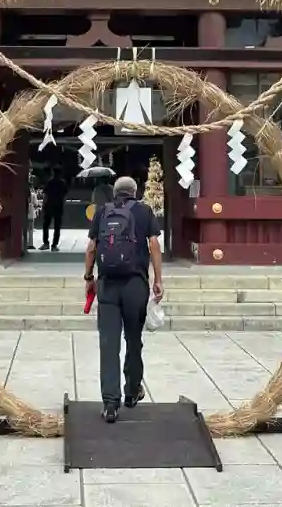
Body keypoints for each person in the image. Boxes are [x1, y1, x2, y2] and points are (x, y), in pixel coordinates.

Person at [84, 174, 163, 422]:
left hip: (107, 285)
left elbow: (91, 248)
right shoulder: (144, 211)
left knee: (109, 343)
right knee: (133, 339)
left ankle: (110, 403)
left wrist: (89, 277)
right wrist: (158, 280)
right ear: (135, 192)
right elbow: (154, 245)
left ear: (115, 193)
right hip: (135, 285)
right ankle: (132, 391)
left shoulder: (102, 212)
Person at [39, 170, 68, 251]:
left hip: (49, 205)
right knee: (57, 227)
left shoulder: (49, 182)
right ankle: (54, 245)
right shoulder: (63, 183)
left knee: (46, 225)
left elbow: (46, 195)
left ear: (53, 173)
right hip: (58, 206)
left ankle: (46, 243)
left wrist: (43, 206)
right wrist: (62, 203)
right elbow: (65, 196)